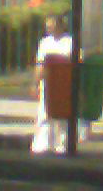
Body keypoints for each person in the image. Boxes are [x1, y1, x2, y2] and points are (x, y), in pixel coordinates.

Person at [31, 13, 73, 155]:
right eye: (47, 25)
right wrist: (35, 83)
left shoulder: (70, 43)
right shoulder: (45, 42)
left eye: (52, 24)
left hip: (64, 84)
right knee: (44, 114)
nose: (49, 27)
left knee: (62, 117)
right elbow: (40, 65)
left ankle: (62, 145)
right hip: (48, 84)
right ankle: (42, 145)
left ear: (60, 25)